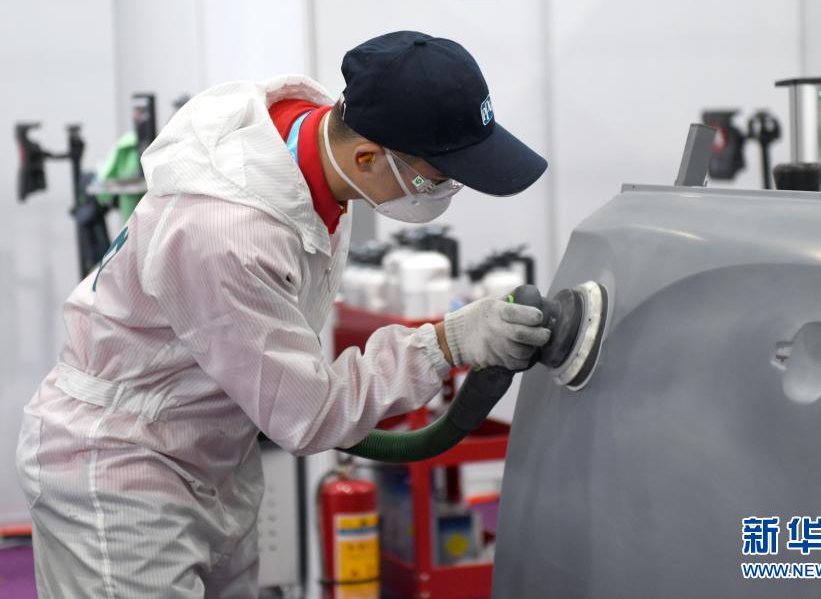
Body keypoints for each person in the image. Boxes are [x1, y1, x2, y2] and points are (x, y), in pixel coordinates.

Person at [15, 30, 549, 598]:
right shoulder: (228, 232)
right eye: (437, 178)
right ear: (367, 158)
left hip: (207, 448)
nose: (444, 191)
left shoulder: (313, 148)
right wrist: (445, 344)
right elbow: (306, 414)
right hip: (120, 464)